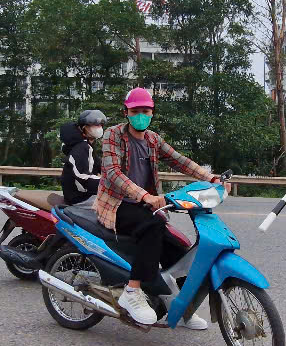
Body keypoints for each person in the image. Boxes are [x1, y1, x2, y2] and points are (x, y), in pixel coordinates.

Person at [93, 87, 222, 329]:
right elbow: (112, 173)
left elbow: (179, 160)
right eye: (135, 111)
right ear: (126, 112)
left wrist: (209, 177)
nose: (140, 115)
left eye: (145, 111)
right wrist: (144, 195)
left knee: (177, 245)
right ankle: (132, 291)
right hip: (116, 205)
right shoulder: (113, 135)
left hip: (144, 205)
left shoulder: (152, 139)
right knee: (154, 225)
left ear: (152, 113)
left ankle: (181, 306)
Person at [59, 109, 106, 205]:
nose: (99, 128)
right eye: (95, 125)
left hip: (85, 195)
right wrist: (108, 184)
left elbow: (101, 166)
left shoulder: (88, 146)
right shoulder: (80, 148)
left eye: (101, 125)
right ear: (84, 128)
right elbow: (82, 177)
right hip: (78, 198)